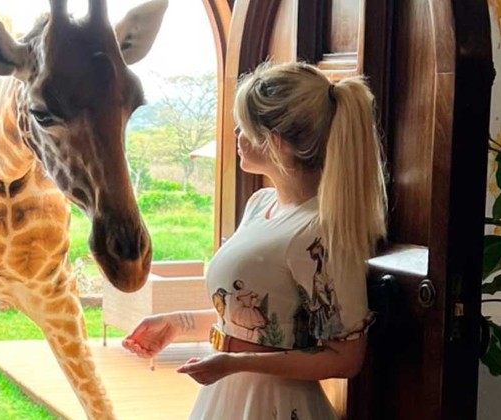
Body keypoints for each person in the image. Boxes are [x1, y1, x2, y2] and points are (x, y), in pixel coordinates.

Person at [122, 60, 387, 419]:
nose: (236, 134)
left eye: (244, 127)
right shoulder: (261, 204)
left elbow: (346, 357)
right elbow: (260, 321)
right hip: (229, 393)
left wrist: (234, 363)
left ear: (275, 142)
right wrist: (177, 323)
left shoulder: (319, 231)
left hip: (275, 404)